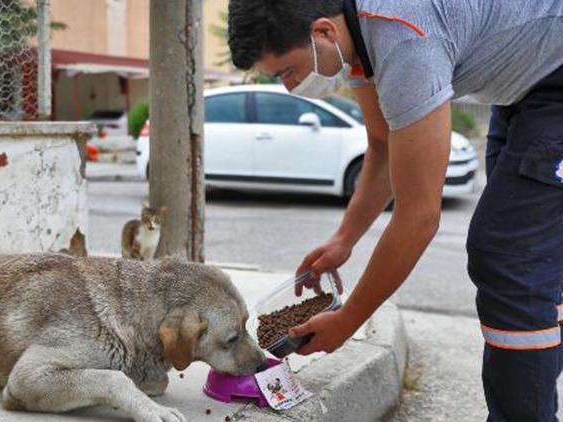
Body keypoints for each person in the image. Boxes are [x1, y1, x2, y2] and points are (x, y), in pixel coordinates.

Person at [227, 0, 563, 420]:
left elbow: (419, 216)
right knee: (535, 263)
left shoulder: (402, 38)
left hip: (553, 77)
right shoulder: (357, 37)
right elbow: (384, 144)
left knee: (511, 258)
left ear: (323, 32)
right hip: (523, 86)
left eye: (287, 72)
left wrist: (349, 319)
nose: (290, 88)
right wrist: (344, 239)